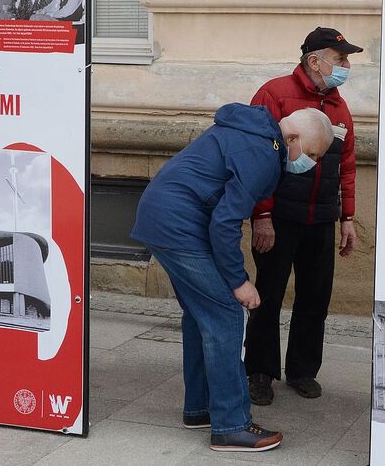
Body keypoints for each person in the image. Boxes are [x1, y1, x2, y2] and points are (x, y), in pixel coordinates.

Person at [131, 103, 334, 452]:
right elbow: (225, 222)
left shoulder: (253, 135)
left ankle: (200, 409)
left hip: (165, 217)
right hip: (179, 225)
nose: (311, 164)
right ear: (294, 138)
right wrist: (239, 281)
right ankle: (230, 425)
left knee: (200, 317)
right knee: (225, 315)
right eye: (313, 154)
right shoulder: (261, 152)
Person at [244, 26, 361, 406]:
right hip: (278, 218)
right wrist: (262, 214)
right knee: (269, 294)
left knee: (315, 298)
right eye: (340, 59)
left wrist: (347, 218)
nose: (345, 66)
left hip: (321, 218)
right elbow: (255, 157)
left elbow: (346, 165)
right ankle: (259, 372)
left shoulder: (340, 106)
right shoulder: (274, 94)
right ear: (315, 60)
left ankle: (302, 370)